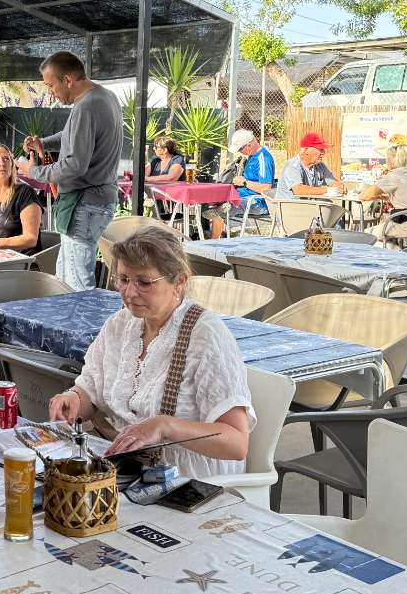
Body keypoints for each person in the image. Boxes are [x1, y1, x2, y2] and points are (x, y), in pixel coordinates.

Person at [46, 227, 252, 481]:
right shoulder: (120, 324)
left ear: (179, 282)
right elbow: (92, 391)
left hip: (188, 481)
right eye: (123, 279)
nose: (129, 293)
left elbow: (236, 443)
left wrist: (165, 426)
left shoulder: (205, 336)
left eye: (144, 283)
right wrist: (74, 399)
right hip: (126, 471)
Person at [21, 51, 123, 292]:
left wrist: (33, 170)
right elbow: (73, 136)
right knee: (64, 278)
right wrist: (43, 143)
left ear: (67, 80)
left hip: (83, 203)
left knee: (76, 284)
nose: (50, 92)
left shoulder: (85, 108)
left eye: (51, 85)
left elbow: (74, 166)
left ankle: (85, 330)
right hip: (98, 200)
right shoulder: (105, 97)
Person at [358, 143, 407, 241]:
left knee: (364, 234)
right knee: (386, 226)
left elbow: (364, 196)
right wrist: (383, 197)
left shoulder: (395, 175)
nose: (386, 162)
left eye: (387, 159)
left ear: (393, 161)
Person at [276, 132, 342, 199]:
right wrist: (329, 190)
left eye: (323, 149)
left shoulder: (320, 165)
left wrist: (339, 186)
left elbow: (332, 181)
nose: (323, 152)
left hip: (308, 206)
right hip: (289, 207)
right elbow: (298, 190)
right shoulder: (292, 165)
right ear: (306, 150)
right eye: (320, 149)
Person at [225, 129, 276, 217]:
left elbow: (266, 188)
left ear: (249, 146)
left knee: (223, 207)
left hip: (257, 202)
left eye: (240, 149)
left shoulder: (263, 158)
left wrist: (244, 182)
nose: (239, 152)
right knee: (215, 203)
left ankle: (215, 229)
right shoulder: (252, 156)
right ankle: (217, 229)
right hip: (242, 197)